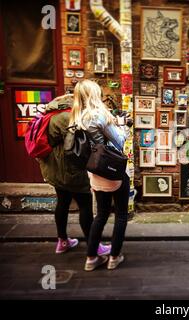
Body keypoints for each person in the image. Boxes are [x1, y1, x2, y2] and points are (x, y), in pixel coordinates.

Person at [38, 94, 110, 256]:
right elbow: (78, 145)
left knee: (62, 203)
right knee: (85, 205)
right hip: (71, 170)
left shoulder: (50, 116)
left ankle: (62, 241)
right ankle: (94, 246)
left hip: (55, 170)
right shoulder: (68, 118)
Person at [70, 80, 129, 271]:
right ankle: (114, 257)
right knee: (120, 215)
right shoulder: (99, 114)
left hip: (94, 171)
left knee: (101, 215)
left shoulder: (77, 117)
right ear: (93, 95)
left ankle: (91, 258)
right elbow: (119, 141)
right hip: (112, 170)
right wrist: (124, 126)